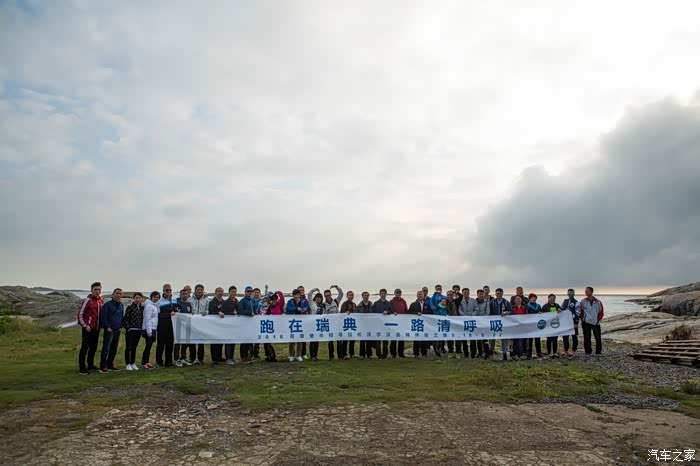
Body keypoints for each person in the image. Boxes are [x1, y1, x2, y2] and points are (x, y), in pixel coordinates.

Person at [77, 282, 104, 375]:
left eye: (99, 289)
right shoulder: (87, 300)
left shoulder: (101, 301)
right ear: (91, 290)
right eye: (95, 289)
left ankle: (90, 364)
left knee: (93, 347)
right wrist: (85, 326)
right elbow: (80, 314)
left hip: (96, 328)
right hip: (88, 328)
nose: (97, 291)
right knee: (85, 347)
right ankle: (82, 367)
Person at [310, 285, 343, 360]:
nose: (328, 296)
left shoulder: (336, 301)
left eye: (329, 295)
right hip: (330, 325)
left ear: (331, 295)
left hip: (337, 324)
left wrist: (336, 287)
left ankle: (340, 356)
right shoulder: (324, 305)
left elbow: (341, 294)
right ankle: (331, 357)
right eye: (326, 295)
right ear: (324, 296)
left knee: (339, 340)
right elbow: (323, 314)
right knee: (330, 342)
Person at [98, 288, 124, 373]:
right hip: (109, 330)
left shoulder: (121, 305)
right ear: (113, 294)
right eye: (117, 293)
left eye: (120, 294)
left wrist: (120, 326)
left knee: (114, 348)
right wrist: (107, 327)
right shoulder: (107, 305)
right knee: (106, 348)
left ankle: (110, 364)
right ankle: (103, 366)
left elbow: (121, 317)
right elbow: (103, 317)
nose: (118, 295)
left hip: (117, 329)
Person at [579, 286, 604, 359]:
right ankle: (588, 352)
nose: (586, 292)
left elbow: (601, 312)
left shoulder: (598, 302)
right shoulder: (583, 301)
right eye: (585, 291)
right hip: (586, 323)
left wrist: (598, 320)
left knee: (598, 338)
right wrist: (583, 319)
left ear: (591, 292)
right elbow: (580, 311)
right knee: (587, 338)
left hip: (596, 323)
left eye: (587, 291)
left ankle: (598, 352)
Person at [155, 284, 177, 367]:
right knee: (161, 345)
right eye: (167, 290)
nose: (168, 291)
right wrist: (169, 314)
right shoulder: (159, 302)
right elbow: (158, 315)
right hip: (162, 326)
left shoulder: (174, 300)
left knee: (170, 345)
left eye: (170, 290)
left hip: (172, 326)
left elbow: (177, 311)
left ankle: (169, 362)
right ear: (163, 291)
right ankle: (159, 361)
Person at [285, 289, 309, 361]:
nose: (296, 296)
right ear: (293, 295)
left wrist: (305, 309)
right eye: (295, 295)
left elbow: (308, 307)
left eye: (298, 295)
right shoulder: (290, 301)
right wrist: (296, 308)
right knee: (292, 340)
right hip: (292, 322)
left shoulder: (303, 301)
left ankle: (298, 355)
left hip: (300, 322)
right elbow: (287, 309)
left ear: (299, 295)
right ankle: (291, 355)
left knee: (299, 340)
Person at [123, 292, 144, 371]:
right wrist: (128, 328)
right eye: (136, 298)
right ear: (134, 298)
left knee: (134, 347)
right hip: (131, 330)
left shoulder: (142, 308)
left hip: (138, 330)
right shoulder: (130, 307)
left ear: (141, 299)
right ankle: (127, 363)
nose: (138, 299)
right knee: (128, 347)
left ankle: (133, 362)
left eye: (139, 298)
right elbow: (126, 318)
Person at [238, 286, 260, 363]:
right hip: (244, 323)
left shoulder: (251, 301)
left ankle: (248, 356)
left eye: (251, 291)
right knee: (244, 340)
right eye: (248, 291)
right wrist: (249, 313)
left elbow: (254, 311)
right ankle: (243, 357)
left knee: (249, 340)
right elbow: (240, 311)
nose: (250, 292)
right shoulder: (242, 301)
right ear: (245, 292)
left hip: (251, 323)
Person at [488, 288, 511, 360]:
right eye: (497, 293)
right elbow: (488, 312)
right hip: (494, 323)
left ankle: (504, 353)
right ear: (495, 294)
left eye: (500, 293)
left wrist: (507, 312)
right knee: (492, 338)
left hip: (503, 323)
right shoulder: (492, 302)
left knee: (504, 338)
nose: (499, 295)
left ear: (502, 294)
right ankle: (491, 351)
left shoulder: (506, 302)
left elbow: (511, 311)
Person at [261, 291, 284, 362]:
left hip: (277, 326)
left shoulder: (279, 305)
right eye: (272, 300)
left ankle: (272, 355)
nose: (274, 301)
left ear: (277, 300)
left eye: (275, 300)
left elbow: (282, 298)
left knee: (268, 341)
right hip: (270, 326)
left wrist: (277, 292)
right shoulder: (270, 306)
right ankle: (268, 355)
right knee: (266, 340)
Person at [189, 284, 209, 364]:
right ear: (195, 290)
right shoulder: (189, 299)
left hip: (202, 323)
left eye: (201, 290)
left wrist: (206, 312)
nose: (200, 291)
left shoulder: (206, 300)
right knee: (192, 342)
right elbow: (187, 309)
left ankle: (201, 359)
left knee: (201, 342)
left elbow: (208, 309)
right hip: (192, 323)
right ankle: (192, 358)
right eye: (198, 290)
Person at [173, 289, 194, 367]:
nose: (185, 295)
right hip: (178, 326)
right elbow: (176, 315)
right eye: (183, 294)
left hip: (187, 326)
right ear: (180, 295)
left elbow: (189, 314)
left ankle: (183, 358)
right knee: (177, 343)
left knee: (185, 343)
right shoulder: (177, 304)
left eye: (186, 294)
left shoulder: (189, 304)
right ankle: (176, 359)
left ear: (188, 295)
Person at [141, 291, 160, 370]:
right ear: (151, 297)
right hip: (149, 329)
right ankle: (143, 363)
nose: (156, 298)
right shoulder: (149, 306)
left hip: (153, 328)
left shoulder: (154, 306)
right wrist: (149, 331)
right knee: (147, 347)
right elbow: (147, 319)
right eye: (154, 297)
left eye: (157, 297)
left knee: (149, 347)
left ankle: (147, 362)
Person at [206, 287, 226, 364]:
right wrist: (218, 313)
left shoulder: (224, 302)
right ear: (215, 292)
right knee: (214, 342)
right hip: (214, 324)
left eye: (221, 291)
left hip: (222, 325)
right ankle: (214, 358)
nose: (220, 293)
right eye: (218, 291)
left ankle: (219, 356)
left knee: (220, 341)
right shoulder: (211, 302)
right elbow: (211, 312)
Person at [409, 290, 430, 357]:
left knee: (424, 339)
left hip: (424, 324)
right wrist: (416, 313)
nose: (420, 296)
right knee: (416, 339)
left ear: (423, 296)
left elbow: (430, 313)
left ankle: (424, 353)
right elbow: (409, 312)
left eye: (421, 294)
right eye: (419, 294)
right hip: (416, 324)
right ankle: (416, 353)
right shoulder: (413, 304)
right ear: (417, 296)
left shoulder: (427, 304)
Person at [221, 286, 239, 365]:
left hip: (235, 325)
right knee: (228, 341)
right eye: (232, 292)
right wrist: (232, 313)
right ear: (229, 293)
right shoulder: (225, 302)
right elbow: (223, 312)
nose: (233, 293)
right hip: (227, 325)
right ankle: (228, 358)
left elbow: (238, 311)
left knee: (233, 341)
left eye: (234, 292)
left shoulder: (237, 301)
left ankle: (232, 357)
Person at [372, 289, 392, 359]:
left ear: (386, 294)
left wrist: (387, 312)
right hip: (378, 324)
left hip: (385, 325)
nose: (383, 295)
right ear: (379, 294)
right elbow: (373, 312)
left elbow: (391, 311)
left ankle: (385, 355)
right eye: (382, 293)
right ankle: (379, 355)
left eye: (384, 293)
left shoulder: (388, 303)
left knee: (385, 341)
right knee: (378, 341)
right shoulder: (376, 303)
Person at [458, 288, 478, 358]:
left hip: (472, 321)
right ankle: (466, 353)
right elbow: (459, 309)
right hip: (463, 321)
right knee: (464, 339)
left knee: (473, 339)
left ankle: (473, 354)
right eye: (464, 292)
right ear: (462, 293)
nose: (466, 293)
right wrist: (464, 315)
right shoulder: (460, 301)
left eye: (467, 292)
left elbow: (477, 309)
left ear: (469, 292)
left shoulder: (473, 300)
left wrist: (472, 315)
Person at [389, 288, 408, 358]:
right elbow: (389, 310)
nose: (398, 294)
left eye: (399, 293)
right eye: (397, 293)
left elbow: (406, 311)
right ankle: (393, 353)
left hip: (402, 322)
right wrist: (393, 312)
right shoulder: (391, 301)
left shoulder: (403, 301)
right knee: (393, 338)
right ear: (394, 293)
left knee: (401, 338)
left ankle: (401, 353)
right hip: (394, 322)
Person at [561, 289, 580, 357]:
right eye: (569, 294)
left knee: (574, 336)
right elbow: (561, 309)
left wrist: (576, 322)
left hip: (573, 322)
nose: (570, 295)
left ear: (574, 294)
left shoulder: (576, 302)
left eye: (572, 294)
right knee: (565, 336)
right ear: (567, 294)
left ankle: (574, 350)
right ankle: (566, 350)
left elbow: (578, 313)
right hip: (566, 322)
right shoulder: (565, 301)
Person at [356, 292, 375, 359]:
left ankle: (369, 354)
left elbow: (375, 313)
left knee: (369, 340)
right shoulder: (359, 306)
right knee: (362, 340)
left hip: (370, 325)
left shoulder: (372, 305)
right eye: (364, 295)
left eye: (367, 295)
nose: (366, 297)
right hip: (362, 325)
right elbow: (356, 315)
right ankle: (362, 354)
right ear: (362, 296)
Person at [543, 294, 562, 358]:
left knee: (555, 339)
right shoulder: (545, 306)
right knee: (549, 339)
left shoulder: (557, 305)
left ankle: (554, 352)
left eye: (553, 298)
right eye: (551, 298)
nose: (552, 299)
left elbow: (562, 312)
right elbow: (542, 314)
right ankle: (549, 352)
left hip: (555, 325)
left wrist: (560, 310)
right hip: (548, 325)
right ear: (548, 299)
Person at [340, 290, 357, 359]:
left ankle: (352, 353)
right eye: (349, 295)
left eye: (352, 295)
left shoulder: (354, 304)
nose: (351, 296)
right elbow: (341, 313)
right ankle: (344, 354)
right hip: (346, 324)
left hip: (352, 324)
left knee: (352, 340)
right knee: (345, 340)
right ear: (347, 296)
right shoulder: (344, 304)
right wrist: (345, 312)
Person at [308, 292, 325, 362]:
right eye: (317, 297)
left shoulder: (322, 306)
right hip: (312, 324)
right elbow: (309, 295)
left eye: (320, 298)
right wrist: (314, 290)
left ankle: (315, 355)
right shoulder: (312, 303)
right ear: (315, 298)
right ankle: (312, 356)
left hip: (318, 324)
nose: (318, 299)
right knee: (312, 341)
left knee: (317, 341)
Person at [526, 293, 543, 360]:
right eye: (532, 298)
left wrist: (540, 313)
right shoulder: (527, 306)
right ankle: (529, 354)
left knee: (537, 339)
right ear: (529, 299)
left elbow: (542, 313)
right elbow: (526, 315)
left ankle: (539, 353)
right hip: (530, 324)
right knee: (530, 340)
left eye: (534, 298)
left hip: (537, 325)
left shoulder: (538, 306)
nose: (533, 299)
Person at [473, 289, 489, 358]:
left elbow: (487, 313)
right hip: (476, 323)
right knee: (478, 339)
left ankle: (486, 352)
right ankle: (479, 352)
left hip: (484, 323)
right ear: (477, 294)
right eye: (480, 294)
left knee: (485, 339)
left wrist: (481, 319)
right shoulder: (474, 302)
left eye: (482, 294)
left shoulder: (487, 303)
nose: (481, 295)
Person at [511, 295, 527, 359]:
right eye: (516, 299)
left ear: (521, 300)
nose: (518, 300)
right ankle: (514, 354)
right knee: (515, 341)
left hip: (522, 327)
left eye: (519, 299)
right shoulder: (512, 308)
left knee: (521, 341)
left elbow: (527, 317)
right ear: (514, 301)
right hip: (514, 327)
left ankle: (521, 354)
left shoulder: (524, 308)